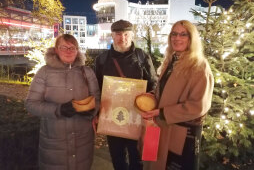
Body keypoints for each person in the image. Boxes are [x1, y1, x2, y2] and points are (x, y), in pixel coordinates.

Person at [140, 20, 214, 170]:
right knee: (154, 162)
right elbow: (167, 89)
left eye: (183, 34)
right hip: (161, 127)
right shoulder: (171, 60)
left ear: (191, 39)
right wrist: (152, 96)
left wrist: (162, 112)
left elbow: (198, 106)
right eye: (174, 34)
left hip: (180, 134)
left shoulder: (199, 66)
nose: (177, 38)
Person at [25, 34, 100, 170]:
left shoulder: (87, 72)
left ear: (77, 51)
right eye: (63, 47)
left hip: (83, 141)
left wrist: (92, 111)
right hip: (54, 143)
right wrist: (58, 110)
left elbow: (97, 99)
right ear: (56, 50)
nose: (68, 51)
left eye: (72, 47)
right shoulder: (44, 73)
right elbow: (31, 104)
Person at [95, 19, 157, 170]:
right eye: (118, 34)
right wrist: (97, 112)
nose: (122, 38)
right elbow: (96, 88)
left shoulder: (142, 57)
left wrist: (149, 100)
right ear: (112, 35)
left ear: (132, 35)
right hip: (112, 116)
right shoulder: (102, 59)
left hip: (137, 116)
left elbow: (154, 83)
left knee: (138, 157)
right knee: (117, 156)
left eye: (126, 34)